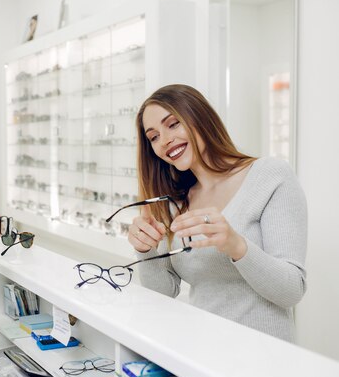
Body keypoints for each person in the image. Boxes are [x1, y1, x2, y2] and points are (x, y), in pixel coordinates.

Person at [127, 84, 306, 342]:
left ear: (199, 117)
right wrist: (145, 250)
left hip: (264, 360)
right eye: (153, 137)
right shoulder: (176, 202)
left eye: (173, 124)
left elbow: (292, 290)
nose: (164, 141)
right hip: (201, 353)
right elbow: (164, 292)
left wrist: (236, 246)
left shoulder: (270, 176)